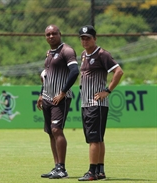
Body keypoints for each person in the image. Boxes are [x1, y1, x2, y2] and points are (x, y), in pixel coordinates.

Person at [77, 25, 124, 181]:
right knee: (98, 138)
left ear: (95, 39)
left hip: (95, 103)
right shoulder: (84, 54)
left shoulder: (102, 54)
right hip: (86, 102)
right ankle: (100, 171)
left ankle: (91, 172)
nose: (85, 41)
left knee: (94, 139)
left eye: (88, 38)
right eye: (82, 38)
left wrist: (107, 91)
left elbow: (119, 71)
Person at [36, 24, 79, 179]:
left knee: (56, 130)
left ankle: (62, 168)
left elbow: (74, 71)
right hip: (47, 97)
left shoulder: (66, 51)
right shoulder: (50, 53)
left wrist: (62, 92)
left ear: (60, 34)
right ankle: (56, 167)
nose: (51, 36)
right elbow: (46, 75)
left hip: (60, 98)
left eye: (54, 33)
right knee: (50, 133)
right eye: (48, 34)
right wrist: (41, 94)